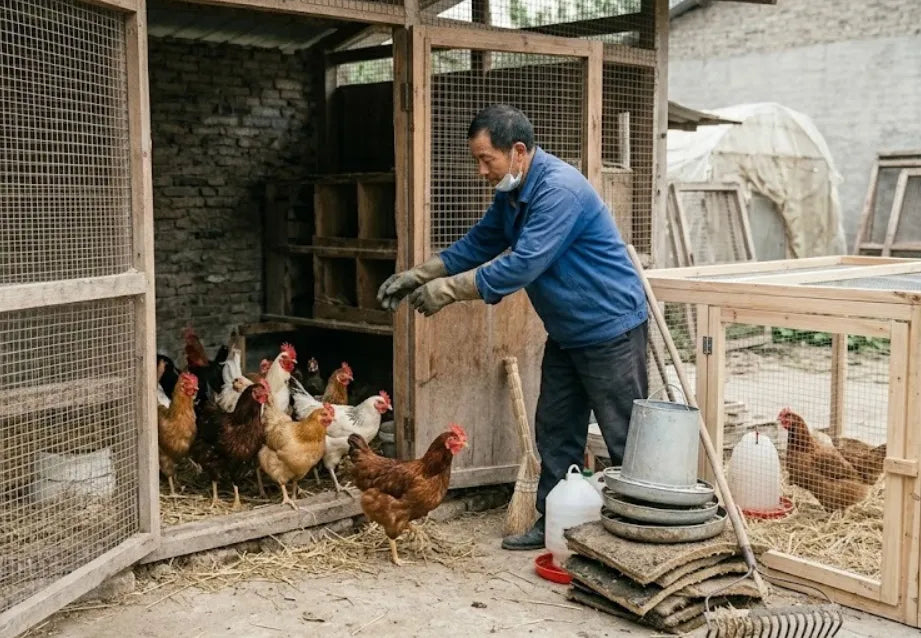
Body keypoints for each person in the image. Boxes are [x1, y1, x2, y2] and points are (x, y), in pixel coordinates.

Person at [377, 104, 649, 550]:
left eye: (487, 159)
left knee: (623, 436)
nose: (482, 170)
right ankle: (555, 522)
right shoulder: (512, 192)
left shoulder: (558, 190)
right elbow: (482, 242)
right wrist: (419, 274)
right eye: (477, 160)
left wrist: (446, 292)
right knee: (557, 430)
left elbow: (522, 264)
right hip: (567, 332)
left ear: (518, 151)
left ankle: (638, 533)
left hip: (609, 329)